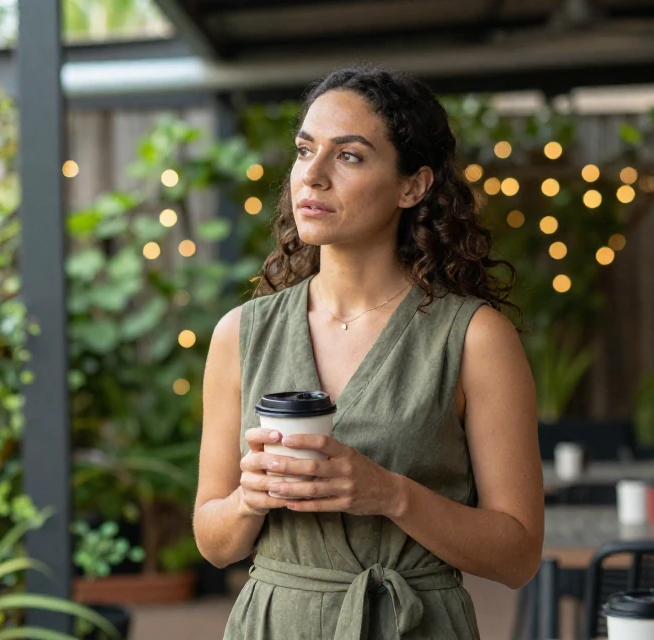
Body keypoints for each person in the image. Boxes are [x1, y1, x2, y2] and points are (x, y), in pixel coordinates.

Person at [192, 67, 543, 639]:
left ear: (413, 186)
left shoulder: (475, 338)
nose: (313, 175)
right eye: (306, 150)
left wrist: (391, 495)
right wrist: (249, 499)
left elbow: (519, 555)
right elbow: (213, 542)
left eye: (349, 156)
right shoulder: (240, 333)